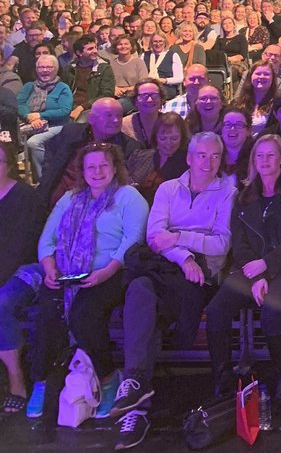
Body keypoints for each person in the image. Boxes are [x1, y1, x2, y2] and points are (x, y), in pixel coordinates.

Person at [109, 132, 235, 448]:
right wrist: (185, 256)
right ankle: (136, 387)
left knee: (141, 299)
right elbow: (154, 236)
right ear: (189, 158)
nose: (208, 162)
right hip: (167, 269)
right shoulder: (168, 189)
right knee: (141, 290)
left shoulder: (227, 193)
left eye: (215, 156)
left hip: (201, 277)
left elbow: (220, 244)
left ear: (221, 160)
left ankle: (135, 396)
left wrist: (179, 240)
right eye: (201, 155)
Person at [204, 134, 281, 408]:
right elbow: (240, 242)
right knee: (216, 310)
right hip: (253, 268)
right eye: (259, 155)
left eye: (271, 155)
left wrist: (267, 266)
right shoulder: (244, 196)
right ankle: (222, 379)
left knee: (272, 308)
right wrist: (259, 275)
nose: (265, 161)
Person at [26, 143, 149, 420]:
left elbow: (133, 241)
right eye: (90, 167)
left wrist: (105, 272)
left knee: (85, 314)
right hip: (66, 273)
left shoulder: (128, 197)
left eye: (103, 165)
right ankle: (44, 380)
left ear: (115, 168)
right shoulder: (70, 198)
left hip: (112, 273)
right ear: (82, 170)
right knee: (47, 312)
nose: (97, 172)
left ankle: (107, 377)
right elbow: (48, 240)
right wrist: (49, 267)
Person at [0, 141, 43, 414]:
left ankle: (17, 380)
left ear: (8, 167)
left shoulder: (25, 197)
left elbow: (18, 248)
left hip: (26, 268)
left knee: (2, 304)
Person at [17, 54, 73, 180]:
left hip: (57, 125)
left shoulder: (63, 88)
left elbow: (65, 110)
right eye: (41, 67)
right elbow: (19, 103)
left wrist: (41, 115)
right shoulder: (28, 86)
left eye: (49, 67)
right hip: (30, 124)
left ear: (56, 69)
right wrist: (30, 117)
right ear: (36, 69)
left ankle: (44, 179)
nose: (45, 70)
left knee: (34, 142)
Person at [126, 111, 190, 200]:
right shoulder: (141, 156)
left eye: (174, 138)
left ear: (182, 138)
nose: (168, 143)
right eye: (163, 138)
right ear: (155, 137)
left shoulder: (189, 163)